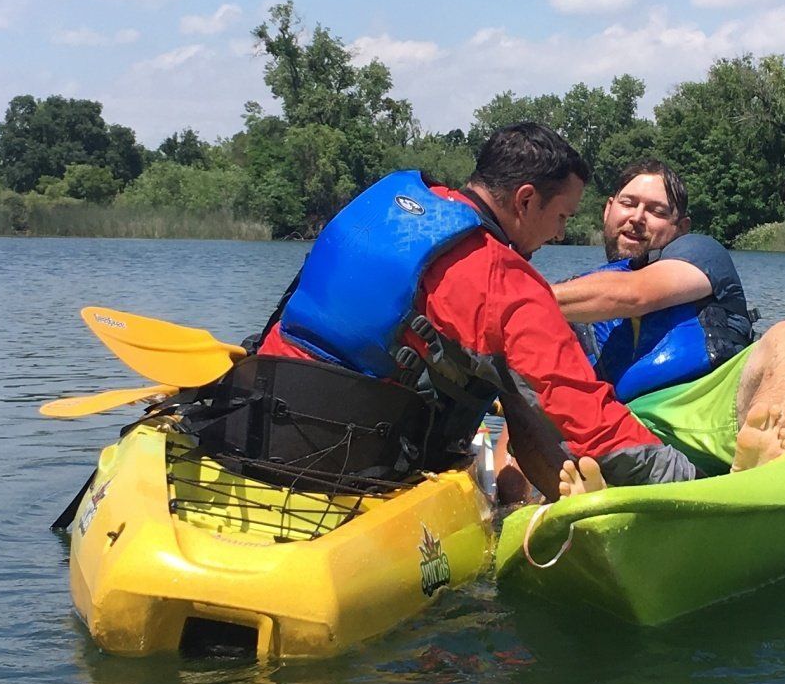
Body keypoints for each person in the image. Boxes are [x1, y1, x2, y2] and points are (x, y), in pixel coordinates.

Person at [254, 123, 699, 490]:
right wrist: (686, 480)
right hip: (352, 461)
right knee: (520, 392)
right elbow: (588, 415)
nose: (560, 234)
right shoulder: (506, 281)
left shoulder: (390, 203)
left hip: (261, 409)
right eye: (561, 216)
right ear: (525, 200)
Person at [552, 161, 785, 474]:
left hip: (719, 406)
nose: (637, 218)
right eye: (628, 203)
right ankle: (594, 486)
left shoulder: (700, 253)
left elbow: (634, 293)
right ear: (608, 210)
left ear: (682, 227)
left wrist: (513, 296)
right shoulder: (576, 296)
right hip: (625, 425)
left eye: (657, 211)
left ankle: (762, 471)